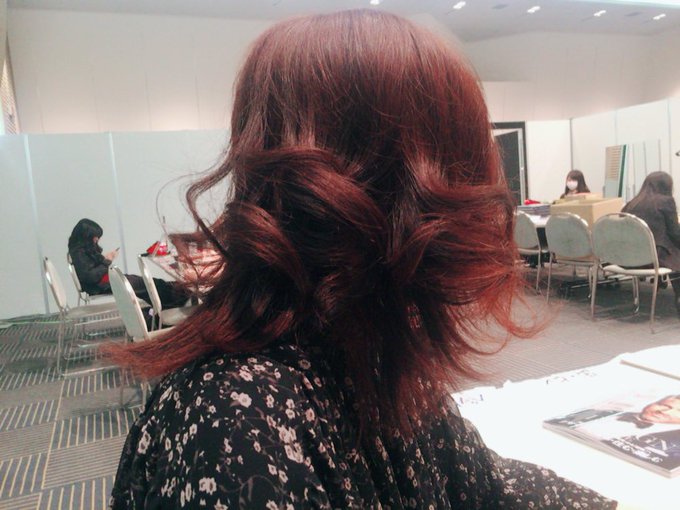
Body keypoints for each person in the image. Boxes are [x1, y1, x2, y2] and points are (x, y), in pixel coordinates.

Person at [108, 11, 618, 509]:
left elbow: (483, 482)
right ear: (407, 190)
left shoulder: (364, 351)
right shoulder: (237, 424)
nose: (481, 196)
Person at [68, 218, 187, 310]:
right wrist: (107, 260)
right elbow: (90, 276)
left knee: (147, 283)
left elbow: (91, 269)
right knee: (146, 285)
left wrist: (105, 259)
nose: (97, 240)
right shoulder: (78, 252)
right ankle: (175, 301)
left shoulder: (81, 249)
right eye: (95, 237)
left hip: (106, 279)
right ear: (87, 236)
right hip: (100, 285)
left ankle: (173, 298)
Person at [622, 172, 680, 313]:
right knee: (674, 252)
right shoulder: (666, 201)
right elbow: (675, 233)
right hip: (652, 257)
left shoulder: (631, 204)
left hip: (629, 257)